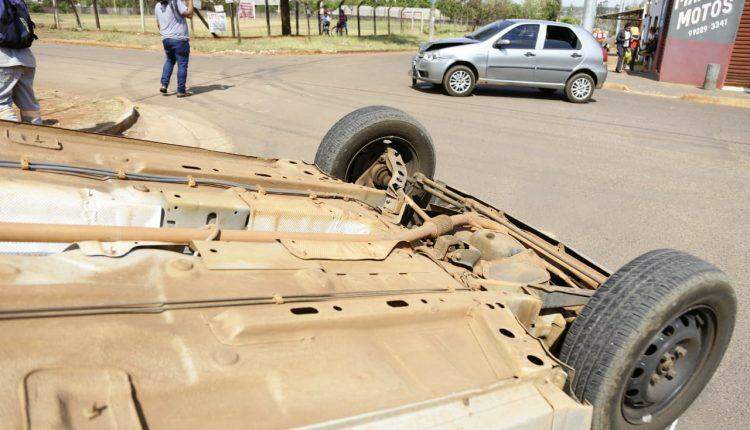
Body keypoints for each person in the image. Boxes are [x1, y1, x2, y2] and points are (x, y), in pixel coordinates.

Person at [0, 0, 42, 124]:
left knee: (1, 105)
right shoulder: (17, 2)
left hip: (4, 61)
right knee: (30, 107)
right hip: (26, 59)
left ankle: (9, 141)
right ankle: (38, 137)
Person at [155, 0, 194, 97]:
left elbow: (158, 24)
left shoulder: (157, 6)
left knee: (170, 60)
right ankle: (181, 90)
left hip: (166, 39)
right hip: (179, 39)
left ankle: (164, 85)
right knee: (182, 64)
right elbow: (189, 14)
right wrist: (190, 1)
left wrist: (166, 33)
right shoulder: (175, 2)